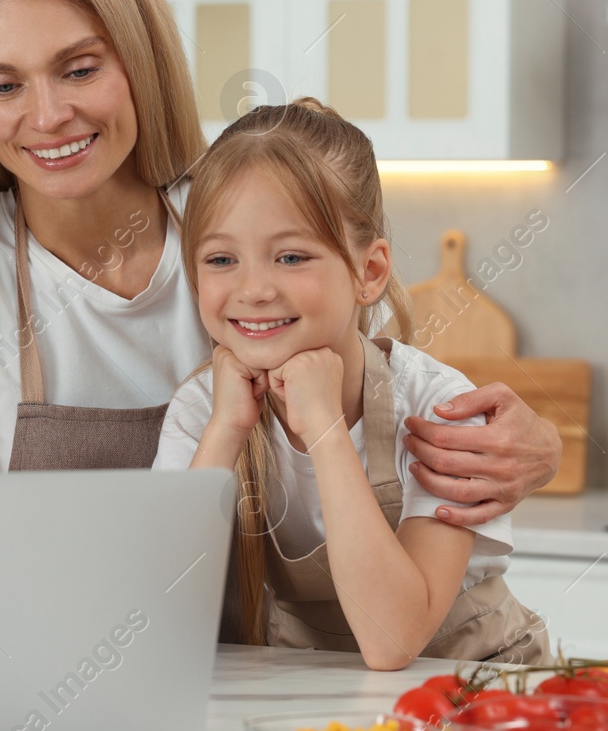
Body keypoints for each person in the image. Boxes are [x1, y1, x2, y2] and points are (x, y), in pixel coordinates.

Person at [0, 0, 561, 516]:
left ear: (139, 57)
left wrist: (535, 443)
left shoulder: (240, 234)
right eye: (6, 84)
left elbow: (387, 400)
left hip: (257, 657)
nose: (48, 116)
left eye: (80, 69)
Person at [153, 98, 546, 668]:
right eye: (220, 259)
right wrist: (226, 430)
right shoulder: (202, 409)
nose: (253, 288)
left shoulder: (437, 407)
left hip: (476, 686)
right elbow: (159, 616)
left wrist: (326, 429)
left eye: (290, 256)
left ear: (370, 273)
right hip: (323, 698)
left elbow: (392, 642)